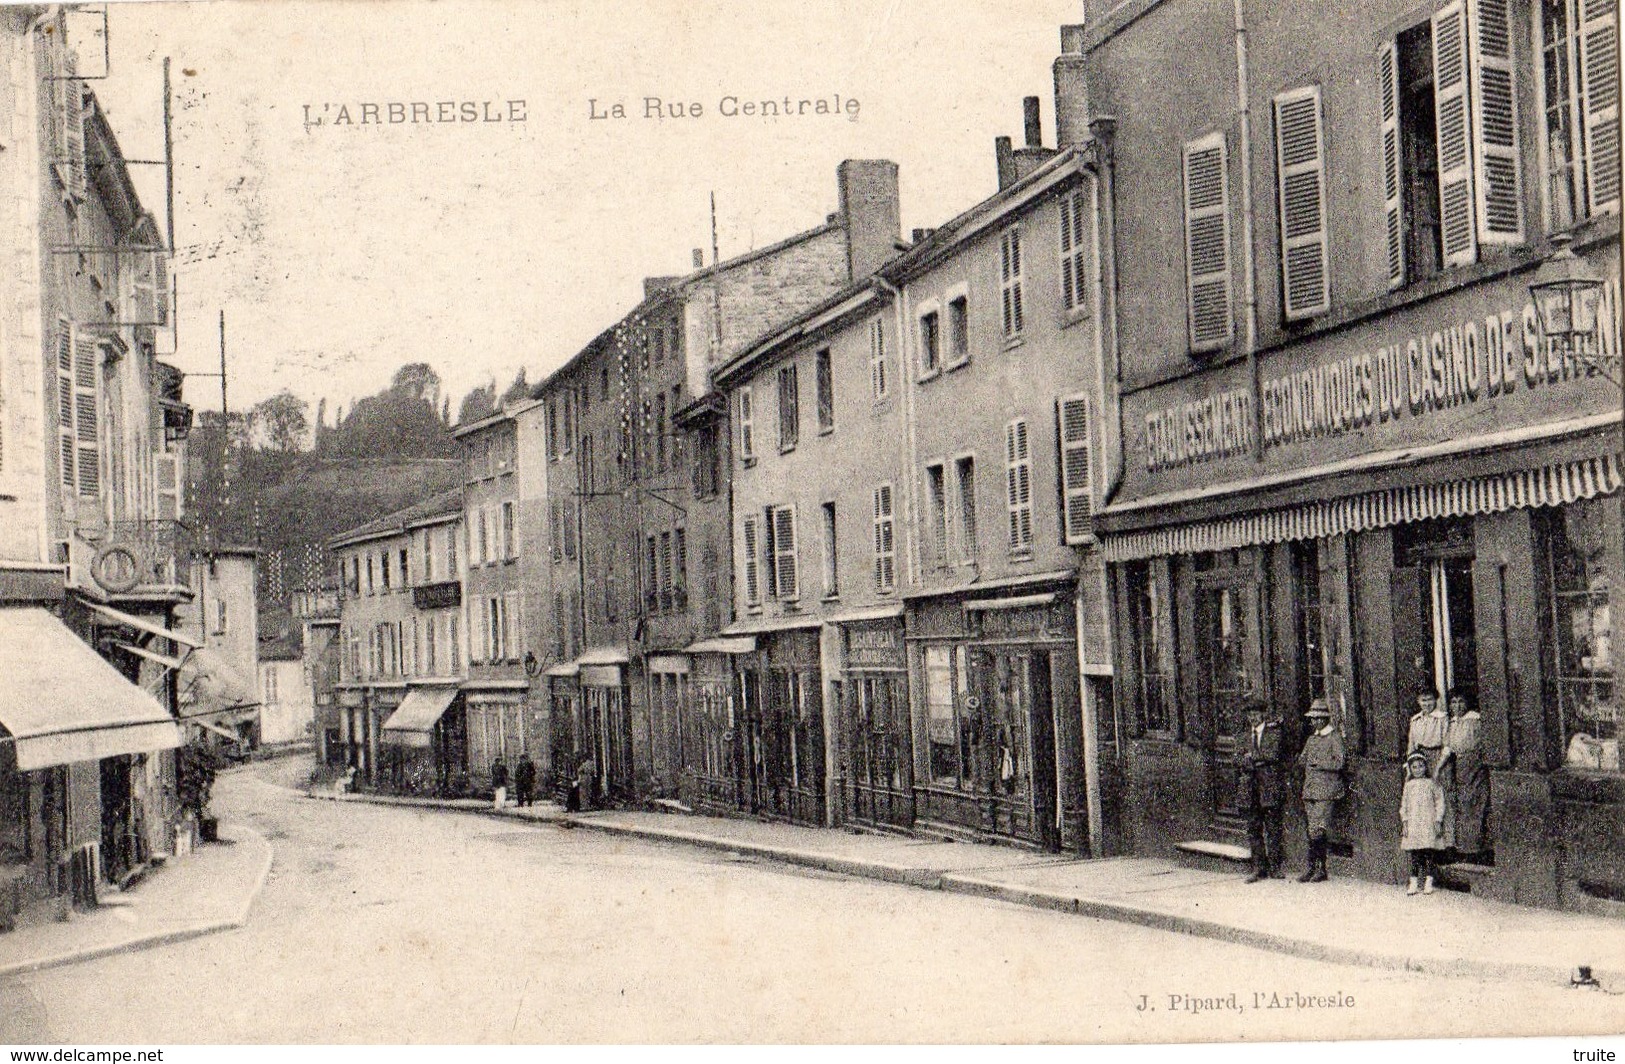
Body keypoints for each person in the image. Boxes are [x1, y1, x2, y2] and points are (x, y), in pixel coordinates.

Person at [1297, 697, 1346, 883]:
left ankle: (1321, 868)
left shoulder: (1334, 738)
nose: (1316, 722)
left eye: (1319, 718)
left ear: (1326, 719)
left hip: (1327, 789)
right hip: (1311, 789)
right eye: (1313, 719)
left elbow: (1340, 762)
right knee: (1311, 829)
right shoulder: (1312, 739)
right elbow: (1303, 759)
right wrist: (1305, 760)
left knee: (1318, 828)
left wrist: (1319, 763)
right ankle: (1312, 867)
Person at [1238, 697, 1286, 883]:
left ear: (1263, 714)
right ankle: (1258, 868)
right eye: (1250, 714)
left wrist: (1251, 757)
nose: (1253, 718)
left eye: (1256, 714)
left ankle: (1275, 867)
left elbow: (1273, 754)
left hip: (1269, 788)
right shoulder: (1242, 736)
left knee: (1273, 828)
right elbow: (1237, 759)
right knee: (1253, 829)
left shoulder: (1273, 734)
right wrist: (1255, 760)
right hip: (1250, 790)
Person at [1406, 689, 1455, 851]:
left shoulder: (1442, 718)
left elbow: (1448, 745)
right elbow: (1411, 746)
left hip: (1439, 758)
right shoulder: (1415, 720)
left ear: (1435, 701)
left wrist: (1438, 767)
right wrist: (1410, 770)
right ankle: (1426, 843)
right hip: (1420, 760)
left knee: (1441, 799)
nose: (1426, 704)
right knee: (1422, 801)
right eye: (1423, 700)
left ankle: (1446, 844)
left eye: (1429, 700)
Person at [1446, 690, 1489, 859]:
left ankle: (1475, 849)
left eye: (1461, 702)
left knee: (1474, 805)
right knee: (1460, 806)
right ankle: (1462, 847)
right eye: (1454, 702)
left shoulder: (1474, 720)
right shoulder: (1453, 723)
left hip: (1474, 766)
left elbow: (1479, 745)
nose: (1457, 706)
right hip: (1458, 765)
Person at [1400, 750, 1447, 895]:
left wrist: (1438, 820)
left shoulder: (1431, 783)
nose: (1418, 770)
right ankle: (1414, 882)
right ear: (1410, 769)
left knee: (1428, 853)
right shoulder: (1409, 785)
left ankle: (1428, 882)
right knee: (1415, 854)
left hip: (1427, 822)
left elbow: (1440, 801)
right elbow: (1404, 805)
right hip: (1414, 823)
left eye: (1421, 766)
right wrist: (1405, 822)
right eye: (1414, 767)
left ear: (1425, 767)